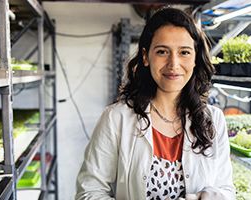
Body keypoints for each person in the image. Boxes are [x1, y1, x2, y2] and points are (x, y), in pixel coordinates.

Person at [76, 8, 235, 200]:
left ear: (195, 58)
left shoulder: (214, 120)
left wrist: (212, 196)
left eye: (184, 52)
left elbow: (226, 188)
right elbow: (89, 191)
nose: (173, 64)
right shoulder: (116, 118)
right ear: (145, 56)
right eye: (162, 52)